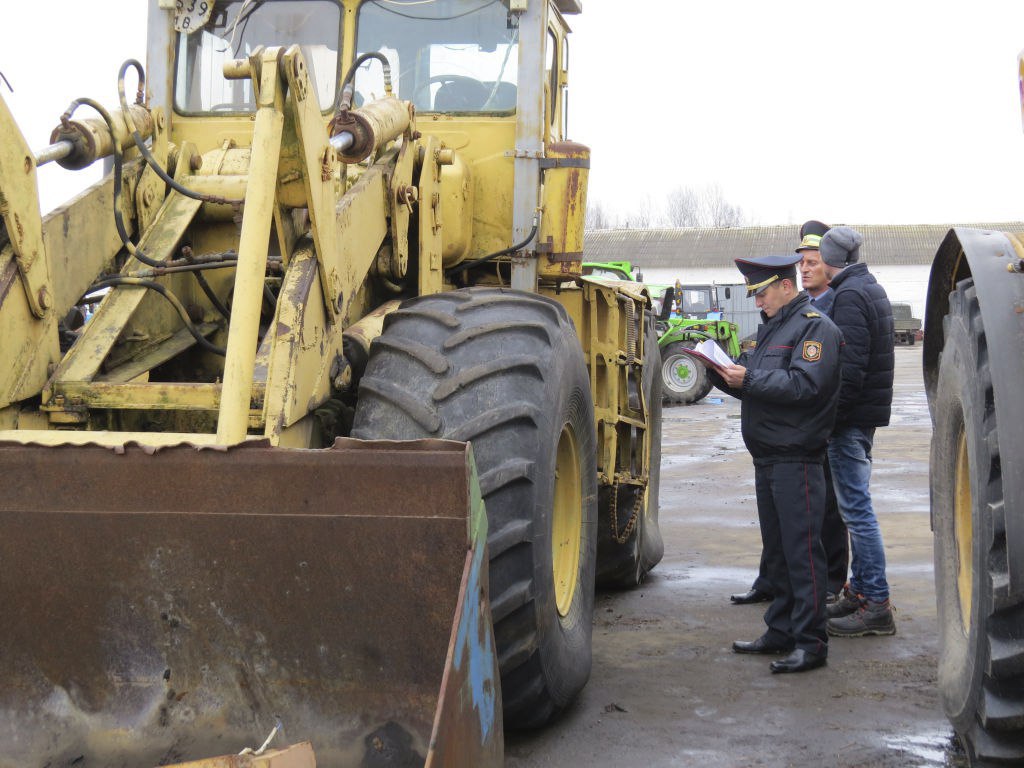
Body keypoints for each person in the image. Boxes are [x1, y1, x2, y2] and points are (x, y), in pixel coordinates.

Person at [708, 253, 842, 673]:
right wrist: (718, 372)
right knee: (780, 553)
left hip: (796, 456)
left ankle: (811, 643)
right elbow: (757, 386)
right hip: (768, 456)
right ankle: (781, 630)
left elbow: (805, 385)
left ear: (786, 286)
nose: (757, 301)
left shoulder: (815, 327)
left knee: (802, 554)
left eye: (761, 293)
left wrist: (747, 378)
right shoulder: (773, 328)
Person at [817, 226, 897, 637]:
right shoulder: (869, 287)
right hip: (863, 417)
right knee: (856, 509)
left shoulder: (849, 295)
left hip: (849, 421)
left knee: (857, 512)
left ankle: (876, 603)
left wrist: (830, 420)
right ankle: (860, 591)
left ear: (829, 259)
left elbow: (849, 370)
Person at [797, 227, 850, 601]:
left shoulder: (837, 305)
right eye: (801, 262)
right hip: (807, 422)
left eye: (812, 262)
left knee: (832, 506)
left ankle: (833, 579)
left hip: (830, 420)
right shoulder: (805, 305)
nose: (804, 268)